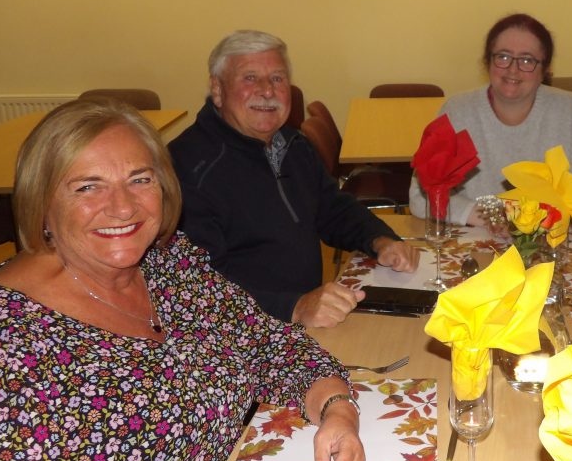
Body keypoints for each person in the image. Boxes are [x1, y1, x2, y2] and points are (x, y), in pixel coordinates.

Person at [0, 100, 364, 461]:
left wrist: (337, 408)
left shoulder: (166, 263)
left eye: (140, 179)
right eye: (87, 186)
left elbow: (265, 342)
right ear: (41, 203)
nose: (123, 207)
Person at [169, 30, 419, 329]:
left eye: (277, 78)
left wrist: (380, 239)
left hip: (306, 321)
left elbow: (332, 209)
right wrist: (293, 307)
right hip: (239, 334)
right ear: (217, 89)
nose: (267, 91)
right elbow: (196, 286)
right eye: (250, 78)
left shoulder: (292, 144)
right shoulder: (187, 168)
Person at [408, 13, 572, 226]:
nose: (513, 69)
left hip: (547, 235)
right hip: (474, 235)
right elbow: (420, 197)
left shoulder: (567, 109)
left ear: (545, 69)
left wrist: (533, 221)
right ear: (488, 61)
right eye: (503, 57)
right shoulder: (457, 110)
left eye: (527, 60)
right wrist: (489, 216)